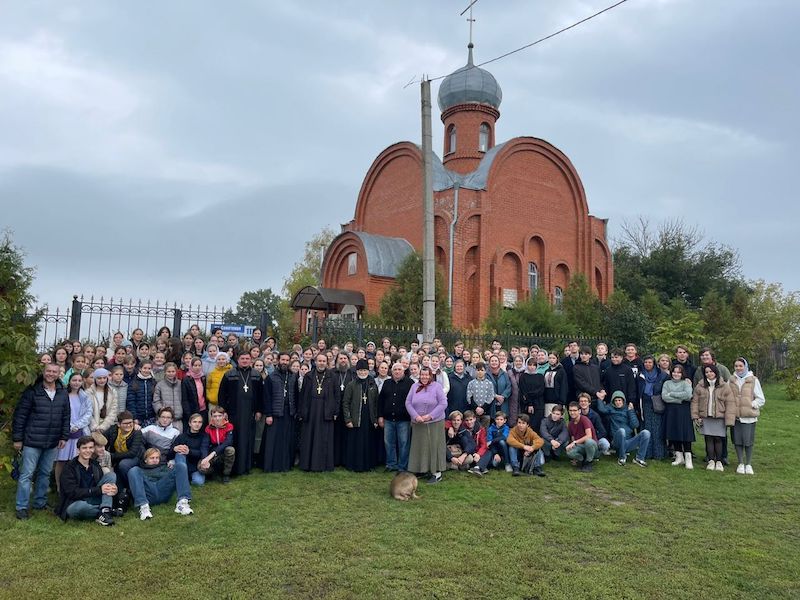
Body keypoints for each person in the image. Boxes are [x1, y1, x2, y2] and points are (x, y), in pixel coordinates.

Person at [12, 363, 70, 520]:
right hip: (32, 441)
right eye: (48, 371)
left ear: (59, 374)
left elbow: (66, 416)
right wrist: (17, 438)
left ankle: (40, 502)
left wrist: (64, 436)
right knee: (27, 474)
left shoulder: (62, 393)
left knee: (45, 473)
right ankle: (21, 506)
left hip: (52, 442)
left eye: (54, 372)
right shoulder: (32, 391)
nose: (51, 374)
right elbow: (20, 415)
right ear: (43, 373)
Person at [217, 352, 264, 476]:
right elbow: (222, 395)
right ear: (238, 360)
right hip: (234, 413)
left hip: (250, 413)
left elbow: (261, 395)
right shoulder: (229, 374)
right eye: (242, 358)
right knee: (236, 439)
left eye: (247, 359)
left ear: (251, 360)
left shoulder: (256, 375)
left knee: (249, 439)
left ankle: (247, 467)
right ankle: (235, 467)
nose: (245, 361)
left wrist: (259, 410)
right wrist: (224, 412)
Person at [56, 435, 119, 526]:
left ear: (93, 449)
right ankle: (104, 513)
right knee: (75, 509)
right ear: (78, 450)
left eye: (90, 448)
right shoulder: (70, 467)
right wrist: (100, 490)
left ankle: (105, 509)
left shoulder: (95, 465)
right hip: (76, 501)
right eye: (84, 448)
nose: (88, 450)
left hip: (93, 497)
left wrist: (114, 490)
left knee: (111, 475)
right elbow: (72, 493)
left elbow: (102, 487)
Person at [406, 366, 448, 484]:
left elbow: (443, 403)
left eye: (427, 375)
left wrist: (430, 415)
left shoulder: (437, 387)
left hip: (434, 422)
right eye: (422, 375)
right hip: (418, 423)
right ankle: (422, 469)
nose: (424, 377)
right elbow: (408, 402)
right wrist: (415, 416)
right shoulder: (414, 386)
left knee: (433, 446)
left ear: (430, 375)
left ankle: (436, 472)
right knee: (420, 447)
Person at [298, 353, 339, 472]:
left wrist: (336, 411)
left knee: (324, 438)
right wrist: (302, 411)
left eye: (323, 361)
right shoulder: (309, 376)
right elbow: (303, 395)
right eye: (319, 361)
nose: (321, 363)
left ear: (327, 362)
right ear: (315, 362)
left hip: (326, 411)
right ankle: (308, 464)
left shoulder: (332, 376)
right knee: (309, 437)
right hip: (311, 411)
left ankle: (323, 465)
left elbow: (337, 396)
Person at [127, 448, 194, 520]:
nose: (155, 460)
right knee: (133, 470)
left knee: (180, 466)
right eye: (152, 458)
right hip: (149, 494)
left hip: (163, 490)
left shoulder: (165, 467)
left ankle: (182, 503)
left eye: (157, 458)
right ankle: (143, 507)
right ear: (146, 460)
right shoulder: (140, 471)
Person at [691, 364, 736, 472]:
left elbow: (730, 403)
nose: (709, 374)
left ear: (715, 372)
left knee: (718, 439)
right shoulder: (700, 386)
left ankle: (719, 461)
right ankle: (711, 460)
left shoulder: (724, 386)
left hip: (719, 417)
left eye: (711, 372)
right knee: (708, 439)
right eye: (706, 372)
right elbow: (695, 402)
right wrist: (695, 416)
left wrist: (729, 420)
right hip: (706, 416)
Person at [54, 373, 93, 492]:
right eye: (74, 380)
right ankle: (59, 488)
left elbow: (88, 413)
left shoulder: (85, 396)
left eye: (79, 380)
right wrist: (69, 426)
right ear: (69, 381)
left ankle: (73, 488)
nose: (76, 382)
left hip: (79, 433)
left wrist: (78, 425)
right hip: (65, 432)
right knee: (61, 462)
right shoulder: (62, 395)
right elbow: (59, 412)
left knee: (75, 461)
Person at [261, 352, 299, 473]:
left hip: (289, 412)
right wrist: (269, 414)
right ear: (278, 360)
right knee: (274, 440)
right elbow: (266, 397)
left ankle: (285, 465)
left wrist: (296, 411)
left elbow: (296, 395)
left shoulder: (293, 376)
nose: (285, 362)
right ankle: (272, 466)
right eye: (283, 360)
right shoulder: (271, 377)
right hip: (275, 413)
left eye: (287, 360)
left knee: (287, 439)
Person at [342, 359, 380, 472]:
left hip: (369, 418)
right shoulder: (351, 384)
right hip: (356, 418)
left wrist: (376, 419)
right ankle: (355, 465)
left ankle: (368, 465)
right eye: (360, 370)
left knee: (368, 443)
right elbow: (345, 403)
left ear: (368, 371)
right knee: (356, 443)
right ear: (357, 371)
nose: (362, 373)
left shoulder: (373, 384)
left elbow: (376, 403)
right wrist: (347, 419)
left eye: (364, 370)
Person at [729, 358, 765, 475]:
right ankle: (740, 463)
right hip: (735, 416)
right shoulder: (731, 380)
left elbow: (760, 399)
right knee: (737, 440)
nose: (738, 368)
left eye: (740, 366)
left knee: (748, 441)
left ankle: (748, 464)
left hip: (748, 417)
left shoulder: (753, 380)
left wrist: (751, 405)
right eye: (736, 366)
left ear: (745, 366)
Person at [597, 391, 651, 467]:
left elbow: (635, 425)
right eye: (615, 401)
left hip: (628, 442)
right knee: (622, 431)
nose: (618, 402)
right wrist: (600, 399)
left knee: (646, 433)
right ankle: (622, 458)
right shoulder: (610, 408)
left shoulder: (628, 409)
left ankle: (639, 458)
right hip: (616, 441)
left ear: (623, 401)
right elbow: (602, 409)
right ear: (613, 402)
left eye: (619, 400)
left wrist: (631, 411)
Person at [378, 362, 413, 472]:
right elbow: (381, 401)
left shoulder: (410, 383)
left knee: (403, 444)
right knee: (389, 443)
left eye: (399, 369)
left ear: (403, 371)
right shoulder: (387, 383)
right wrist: (380, 416)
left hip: (404, 420)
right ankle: (391, 464)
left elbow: (413, 401)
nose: (397, 371)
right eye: (395, 370)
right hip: (388, 419)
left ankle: (402, 467)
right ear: (391, 371)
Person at [105, 411, 144, 503]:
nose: (129, 425)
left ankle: (130, 486)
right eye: (125, 423)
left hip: (135, 458)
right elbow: (103, 440)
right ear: (119, 424)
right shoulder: (113, 430)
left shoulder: (136, 433)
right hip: (118, 457)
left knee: (123, 465)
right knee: (115, 472)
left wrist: (111, 456)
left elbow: (132, 453)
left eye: (130, 422)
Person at [662, 364, 695, 469]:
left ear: (682, 374)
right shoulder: (667, 383)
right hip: (671, 411)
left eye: (679, 372)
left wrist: (672, 394)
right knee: (674, 432)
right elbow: (664, 397)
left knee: (685, 434)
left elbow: (688, 395)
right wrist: (680, 399)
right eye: (674, 372)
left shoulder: (686, 383)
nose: (676, 374)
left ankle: (688, 458)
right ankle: (679, 457)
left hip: (683, 411)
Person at [640, 355, 670, 460]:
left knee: (657, 429)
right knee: (647, 428)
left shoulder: (662, 375)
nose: (647, 364)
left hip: (657, 403)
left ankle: (659, 453)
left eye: (650, 362)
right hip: (645, 403)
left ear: (654, 364)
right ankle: (647, 453)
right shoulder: (641, 374)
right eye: (646, 362)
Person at [199, 406, 236, 483]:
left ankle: (226, 475)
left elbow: (228, 442)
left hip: (223, 452)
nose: (217, 418)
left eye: (220, 416)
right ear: (211, 417)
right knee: (201, 467)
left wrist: (213, 454)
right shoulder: (208, 428)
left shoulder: (229, 426)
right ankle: (212, 472)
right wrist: (205, 459)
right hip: (212, 453)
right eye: (215, 416)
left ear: (224, 416)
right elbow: (204, 445)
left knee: (230, 450)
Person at [172, 413, 209, 485]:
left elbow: (203, 454)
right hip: (183, 463)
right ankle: (182, 478)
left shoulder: (204, 436)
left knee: (199, 482)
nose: (197, 424)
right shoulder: (181, 436)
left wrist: (189, 452)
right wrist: (174, 448)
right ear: (189, 423)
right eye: (194, 422)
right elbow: (169, 454)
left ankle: (186, 478)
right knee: (180, 453)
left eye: (199, 422)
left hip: (196, 466)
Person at [565, 401, 598, 472]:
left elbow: (589, 436)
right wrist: (572, 445)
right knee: (569, 452)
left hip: (592, 447)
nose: (572, 413)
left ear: (579, 411)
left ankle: (589, 462)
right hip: (581, 447)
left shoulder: (584, 419)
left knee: (588, 441)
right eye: (570, 410)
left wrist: (575, 442)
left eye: (574, 410)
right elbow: (573, 438)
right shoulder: (570, 424)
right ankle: (581, 460)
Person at [153, 362, 184, 432]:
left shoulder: (180, 384)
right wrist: (160, 410)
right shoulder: (159, 385)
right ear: (165, 372)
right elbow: (156, 400)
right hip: (164, 419)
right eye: (168, 371)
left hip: (177, 419)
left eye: (173, 371)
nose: (171, 373)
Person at [518, 357, 545, 434]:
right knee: (528, 424)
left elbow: (541, 390)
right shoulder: (523, 376)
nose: (532, 367)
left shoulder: (540, 376)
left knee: (537, 425)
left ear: (536, 366)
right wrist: (529, 403)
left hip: (538, 404)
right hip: (527, 404)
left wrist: (530, 394)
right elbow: (523, 390)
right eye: (530, 365)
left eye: (534, 365)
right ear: (527, 366)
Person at [87, 368, 118, 432]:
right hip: (93, 428)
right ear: (95, 379)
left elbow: (113, 411)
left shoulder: (112, 392)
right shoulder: (88, 392)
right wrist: (95, 427)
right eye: (99, 378)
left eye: (104, 378)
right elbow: (87, 412)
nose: (102, 380)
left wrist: (103, 427)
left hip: (108, 427)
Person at [128, 360, 156, 427]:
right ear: (140, 369)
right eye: (144, 368)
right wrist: (134, 417)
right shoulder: (134, 383)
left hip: (151, 417)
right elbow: (131, 401)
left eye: (149, 368)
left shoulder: (153, 382)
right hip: (138, 417)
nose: (146, 370)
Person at [182, 357, 207, 427]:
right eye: (195, 365)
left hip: (203, 409)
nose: (197, 367)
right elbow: (185, 399)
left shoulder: (203, 378)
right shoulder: (186, 379)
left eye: (199, 365)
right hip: (192, 410)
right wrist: (188, 414)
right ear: (191, 366)